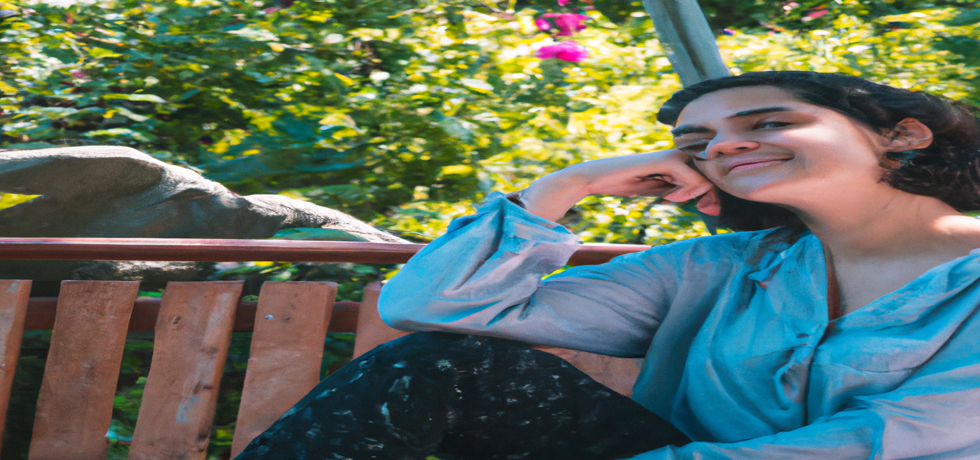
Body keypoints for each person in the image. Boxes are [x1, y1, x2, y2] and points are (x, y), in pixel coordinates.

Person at [236, 71, 980, 459]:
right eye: (696, 145)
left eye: (770, 122)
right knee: (439, 364)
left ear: (904, 134)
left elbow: (894, 437)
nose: (722, 146)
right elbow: (430, 308)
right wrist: (565, 187)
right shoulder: (716, 267)